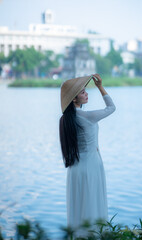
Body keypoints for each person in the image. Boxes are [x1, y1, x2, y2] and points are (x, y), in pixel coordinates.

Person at [59, 73, 116, 237]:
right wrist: (100, 87)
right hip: (91, 165)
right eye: (83, 92)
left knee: (79, 208)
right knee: (92, 204)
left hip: (75, 168)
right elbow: (111, 108)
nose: (86, 94)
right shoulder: (88, 116)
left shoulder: (65, 119)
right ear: (74, 99)